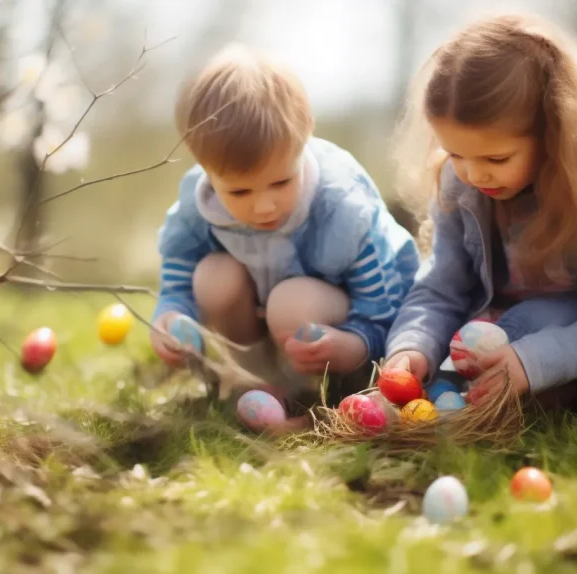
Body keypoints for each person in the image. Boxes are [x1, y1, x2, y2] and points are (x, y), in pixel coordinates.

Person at [383, 13, 577, 417]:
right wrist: (412, 345)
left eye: (497, 157)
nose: (475, 174)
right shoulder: (461, 186)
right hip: (511, 332)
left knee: (510, 328)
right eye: (456, 154)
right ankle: (525, 397)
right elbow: (442, 287)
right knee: (469, 339)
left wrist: (532, 360)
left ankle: (531, 393)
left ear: (554, 132)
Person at [150, 44, 421, 429]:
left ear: (303, 143)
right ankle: (255, 384)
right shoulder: (200, 204)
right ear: (206, 170)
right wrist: (171, 319)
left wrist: (351, 347)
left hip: (336, 335)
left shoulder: (342, 208)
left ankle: (322, 393)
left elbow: (383, 306)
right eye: (240, 192)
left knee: (290, 303)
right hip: (258, 337)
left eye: (281, 182)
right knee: (212, 276)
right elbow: (177, 280)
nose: (264, 206)